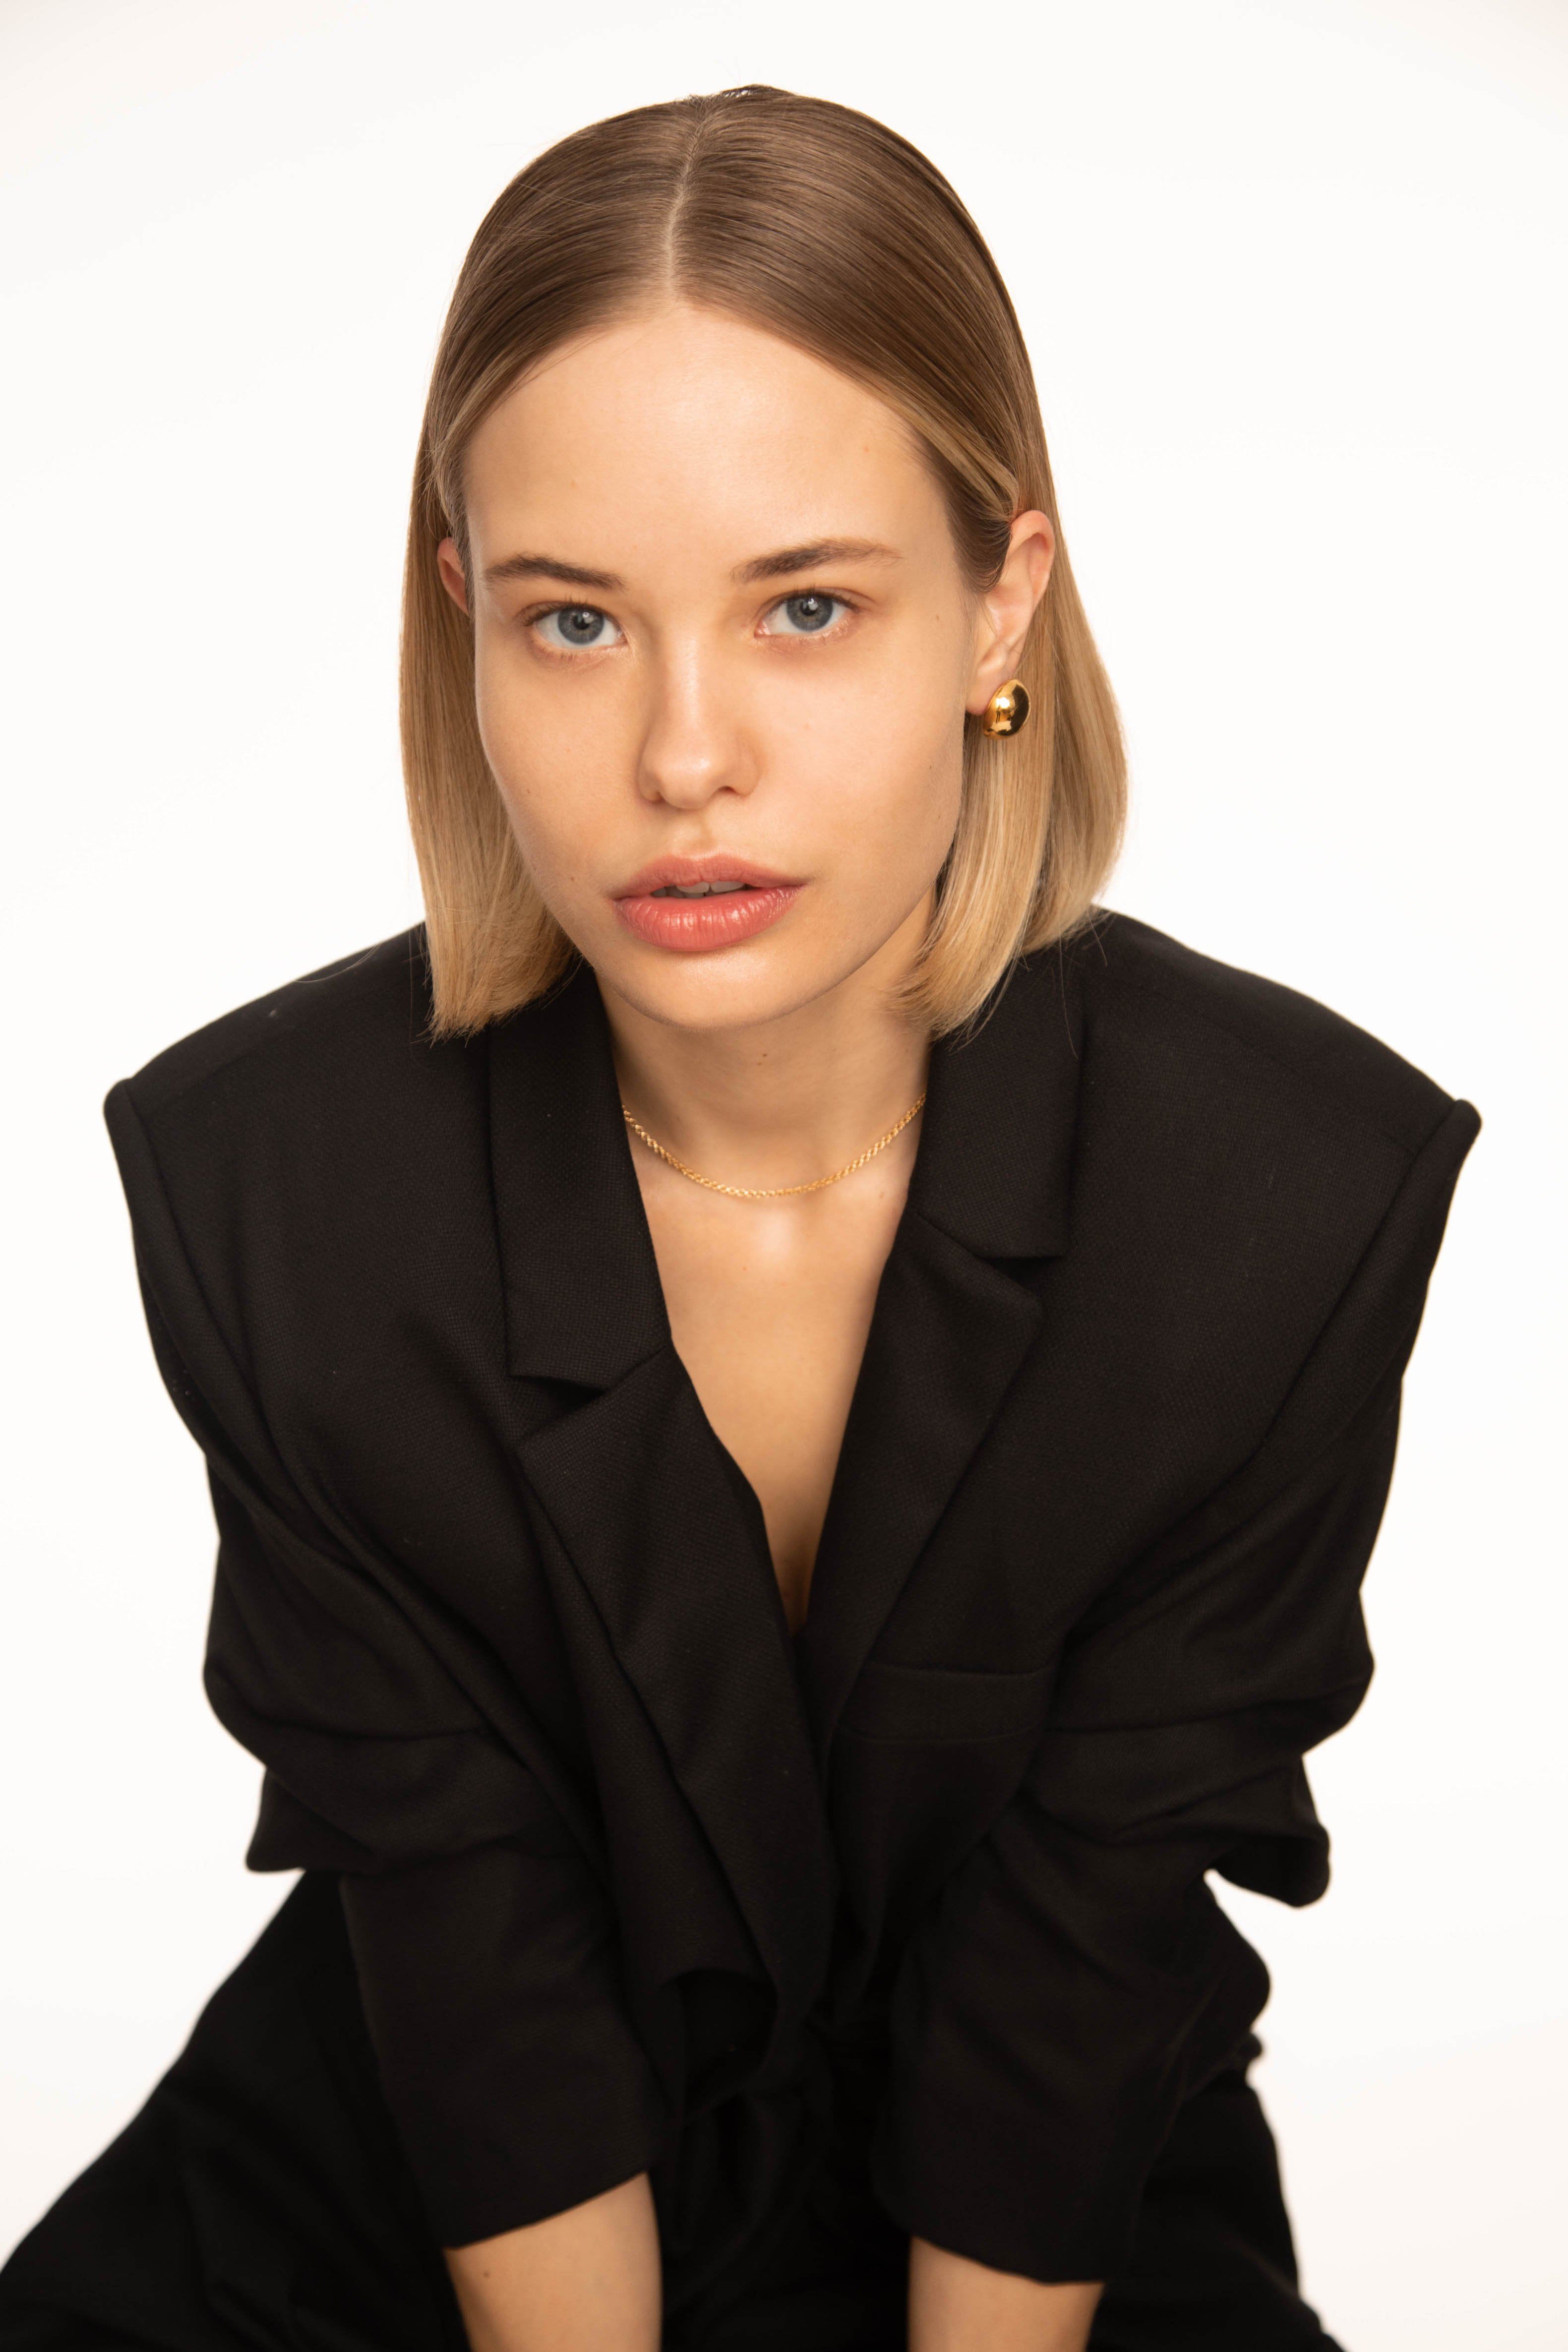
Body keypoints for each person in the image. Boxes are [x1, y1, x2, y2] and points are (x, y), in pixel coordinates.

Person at [0, 85, 1478, 2352]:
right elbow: (468, 1960)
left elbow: (1076, 1972)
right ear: (461, 616)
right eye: (576, 622)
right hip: (404, 2204)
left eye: (802, 605)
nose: (683, 754)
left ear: (999, 600)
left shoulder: (1277, 1199)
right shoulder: (272, 1185)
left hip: (1036, 2225)